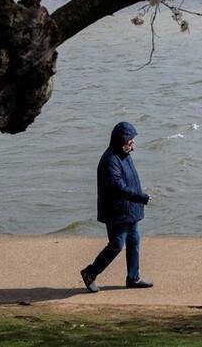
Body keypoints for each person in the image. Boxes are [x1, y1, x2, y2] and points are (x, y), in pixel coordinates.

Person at [80, 121, 153, 292]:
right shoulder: (110, 160)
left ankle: (133, 278)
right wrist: (141, 197)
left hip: (130, 209)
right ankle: (90, 273)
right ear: (121, 140)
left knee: (134, 241)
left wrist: (137, 200)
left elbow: (130, 180)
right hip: (116, 212)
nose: (132, 143)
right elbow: (118, 187)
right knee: (117, 244)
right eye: (130, 140)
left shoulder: (125, 154)